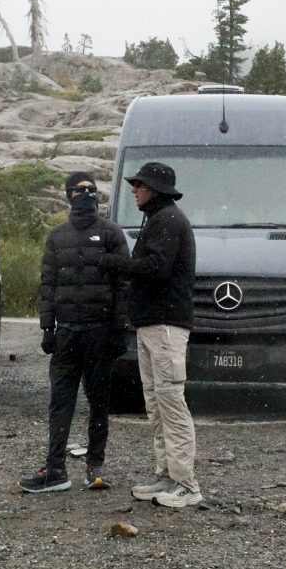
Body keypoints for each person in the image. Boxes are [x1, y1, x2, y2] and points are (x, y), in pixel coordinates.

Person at [19, 171, 130, 493]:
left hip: (100, 332)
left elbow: (124, 284)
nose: (87, 195)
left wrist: (119, 329)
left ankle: (95, 467)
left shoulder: (111, 233)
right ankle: (55, 469)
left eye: (92, 190)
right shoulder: (57, 236)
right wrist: (46, 327)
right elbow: (48, 284)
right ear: (68, 195)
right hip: (67, 332)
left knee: (98, 402)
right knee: (60, 402)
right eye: (80, 190)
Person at [103, 161, 202, 508]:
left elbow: (157, 269)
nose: (134, 189)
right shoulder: (158, 220)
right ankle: (166, 474)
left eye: (140, 185)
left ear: (155, 190)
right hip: (151, 323)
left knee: (171, 402)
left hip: (166, 324)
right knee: (156, 402)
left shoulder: (169, 221)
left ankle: (186, 483)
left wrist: (118, 264)